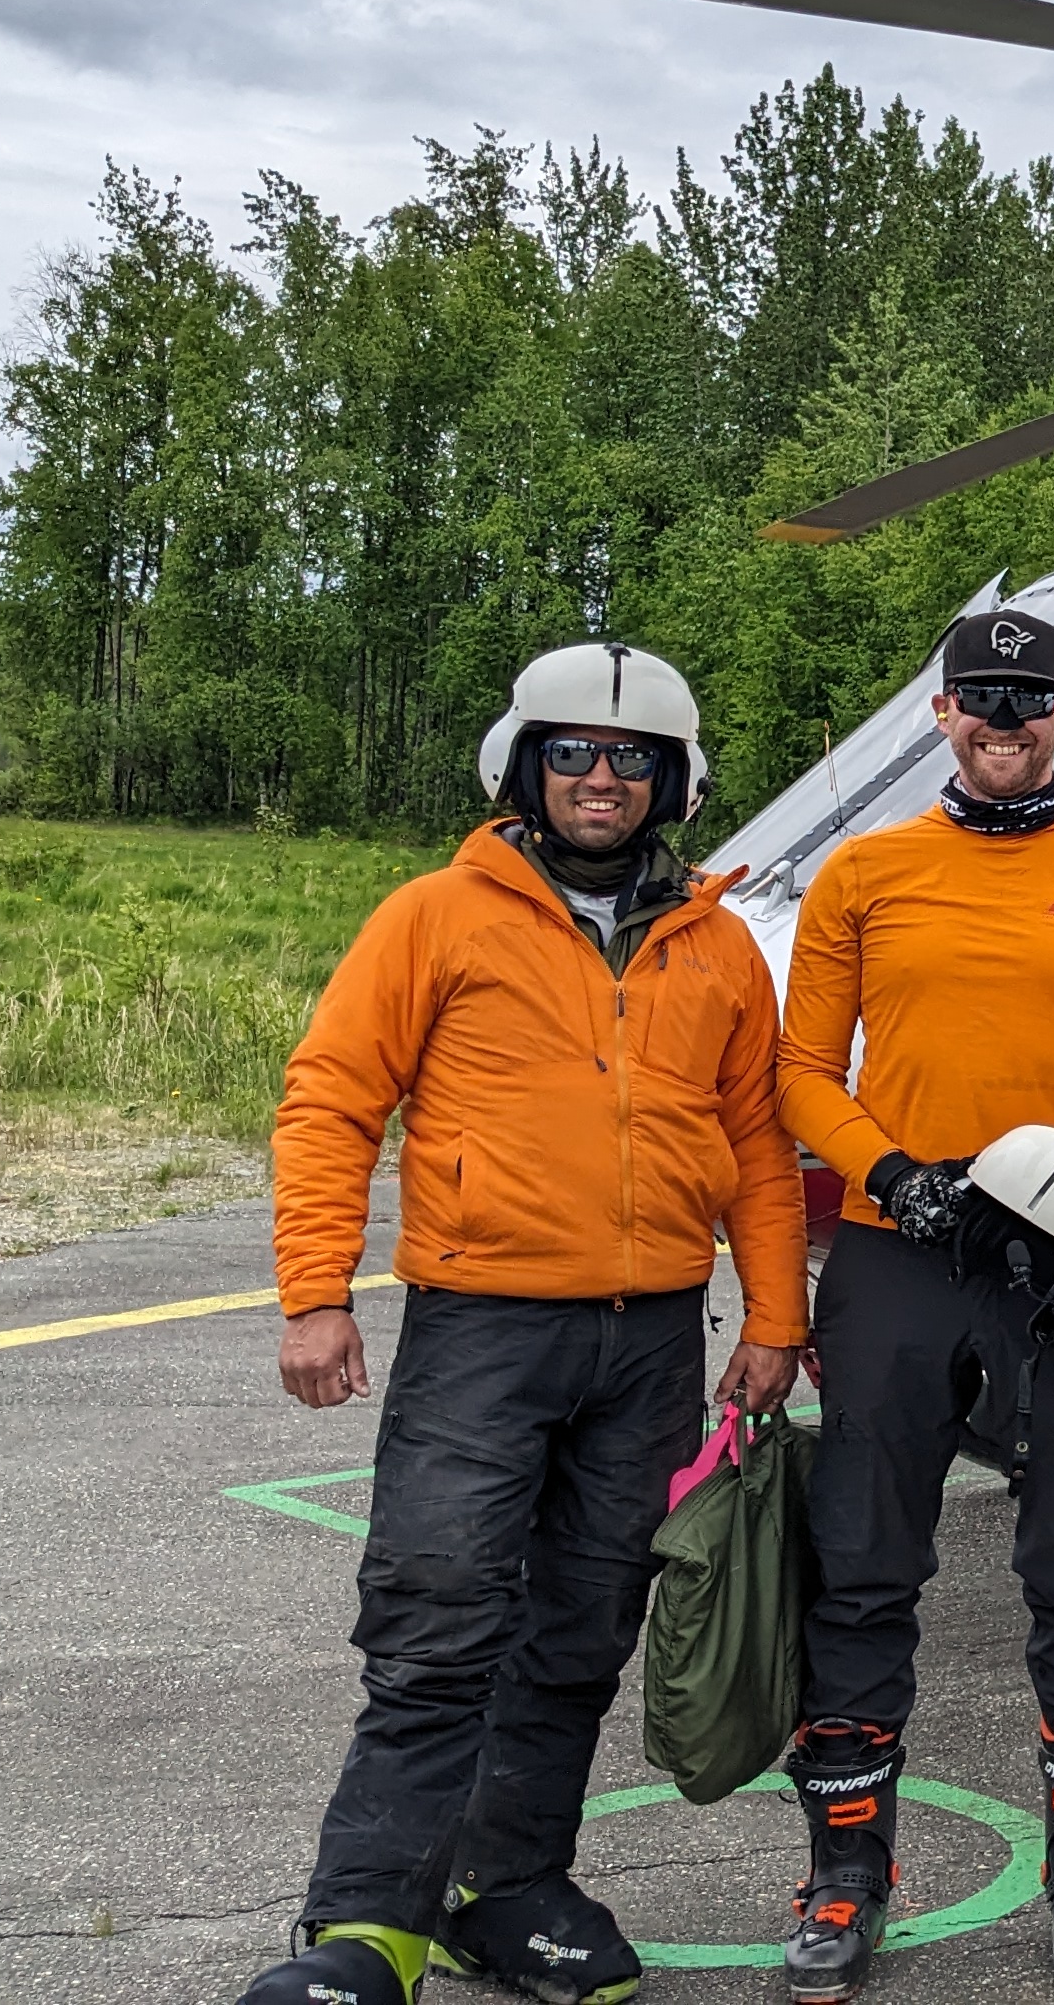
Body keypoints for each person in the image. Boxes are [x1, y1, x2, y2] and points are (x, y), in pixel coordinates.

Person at [243, 642, 809, 2005]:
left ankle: (512, 1884)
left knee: (584, 1625)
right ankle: (368, 1925)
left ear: (671, 781)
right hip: (481, 1332)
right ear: (524, 767)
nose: (599, 779)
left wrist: (776, 1314)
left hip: (652, 1342)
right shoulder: (435, 916)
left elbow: (754, 1141)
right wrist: (316, 1293)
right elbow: (330, 1098)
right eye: (571, 753)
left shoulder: (720, 944)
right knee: (439, 1619)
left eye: (629, 759)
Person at [773, 605, 1054, 2005]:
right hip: (901, 1249)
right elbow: (798, 1071)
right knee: (860, 1565)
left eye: (1030, 700)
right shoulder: (865, 872)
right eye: (981, 699)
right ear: (944, 716)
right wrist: (890, 1176)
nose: (1004, 722)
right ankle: (848, 1871)